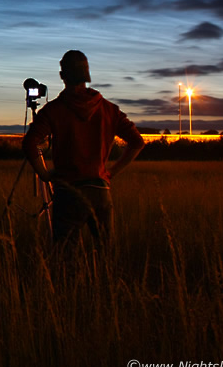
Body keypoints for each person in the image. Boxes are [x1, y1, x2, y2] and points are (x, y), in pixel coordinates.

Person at [22, 50, 145, 246]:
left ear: (63, 76)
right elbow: (137, 142)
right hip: (100, 190)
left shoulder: (54, 110)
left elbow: (29, 143)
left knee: (65, 258)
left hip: (68, 191)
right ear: (87, 75)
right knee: (105, 256)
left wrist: (45, 175)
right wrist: (111, 172)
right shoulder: (109, 109)